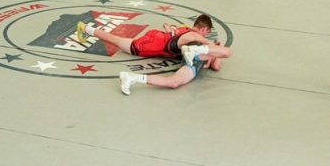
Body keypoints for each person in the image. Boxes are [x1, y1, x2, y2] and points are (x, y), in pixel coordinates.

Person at [76, 14, 232, 96]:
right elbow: (212, 55)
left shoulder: (184, 29)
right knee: (117, 41)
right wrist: (214, 46)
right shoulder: (194, 36)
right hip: (152, 44)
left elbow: (169, 27)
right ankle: (87, 29)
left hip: (156, 38)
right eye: (207, 33)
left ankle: (87, 29)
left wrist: (170, 29)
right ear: (204, 29)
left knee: (116, 40)